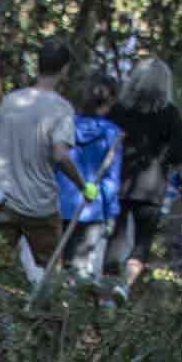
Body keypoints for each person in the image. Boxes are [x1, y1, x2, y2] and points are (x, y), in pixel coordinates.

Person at [0, 38, 89, 298]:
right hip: (40, 204)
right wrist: (83, 186)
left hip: (3, 200)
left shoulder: (11, 101)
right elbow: (61, 154)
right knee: (51, 268)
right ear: (64, 69)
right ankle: (51, 324)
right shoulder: (61, 108)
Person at [105, 57, 182, 300]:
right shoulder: (169, 113)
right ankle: (125, 286)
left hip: (120, 183)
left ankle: (104, 292)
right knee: (143, 241)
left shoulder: (120, 110)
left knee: (116, 237)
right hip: (151, 189)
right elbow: (178, 153)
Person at [60, 76, 125, 291]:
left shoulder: (66, 125)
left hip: (60, 204)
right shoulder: (112, 134)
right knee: (79, 270)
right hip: (92, 209)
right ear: (110, 101)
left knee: (56, 266)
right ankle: (71, 315)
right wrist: (111, 214)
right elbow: (111, 180)